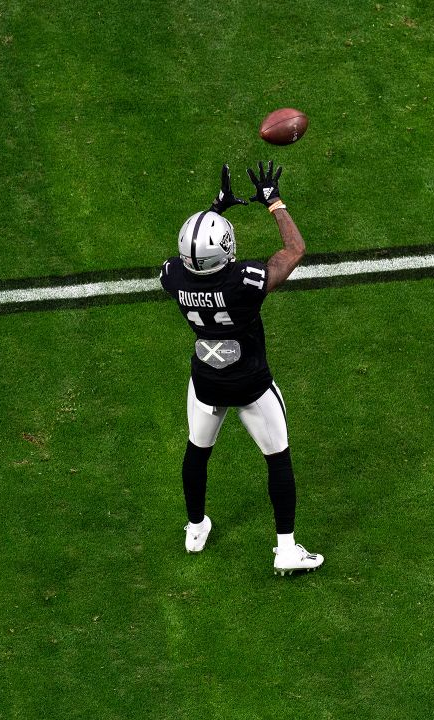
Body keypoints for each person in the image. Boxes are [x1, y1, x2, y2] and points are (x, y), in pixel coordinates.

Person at [158, 161, 323, 576]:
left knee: (197, 451)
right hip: (250, 383)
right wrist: (274, 202)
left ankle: (195, 527)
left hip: (207, 381)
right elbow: (294, 251)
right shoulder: (243, 282)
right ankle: (285, 548)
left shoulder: (173, 277)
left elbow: (193, 253)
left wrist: (216, 207)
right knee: (278, 457)